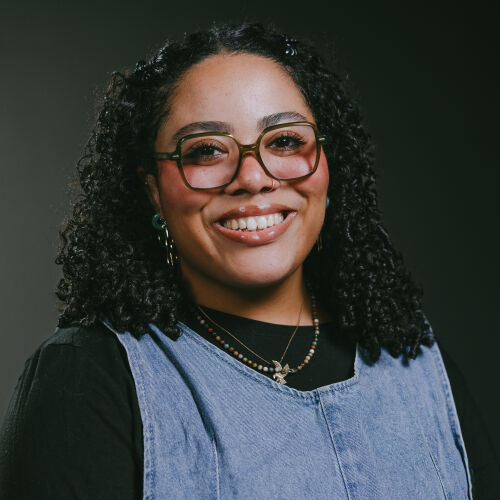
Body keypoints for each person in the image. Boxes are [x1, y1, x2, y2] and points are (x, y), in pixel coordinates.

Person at [0, 22, 498, 499]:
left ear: (329, 163)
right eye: (206, 151)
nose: (253, 177)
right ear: (153, 189)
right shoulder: (86, 377)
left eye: (284, 141)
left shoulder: (420, 364)